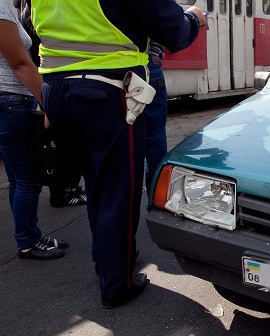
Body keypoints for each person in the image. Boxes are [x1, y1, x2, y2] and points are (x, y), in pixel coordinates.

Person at [31, 0, 206, 308]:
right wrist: (194, 18)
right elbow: (172, 30)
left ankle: (106, 259)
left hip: (56, 90)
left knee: (96, 181)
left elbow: (29, 25)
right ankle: (117, 283)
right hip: (106, 91)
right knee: (118, 190)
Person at [0, 0, 66, 260]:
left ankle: (28, 234)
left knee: (18, 178)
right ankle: (28, 241)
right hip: (12, 102)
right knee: (29, 178)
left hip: (6, 103)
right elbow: (19, 62)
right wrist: (46, 102)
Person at [14, 0, 86, 208]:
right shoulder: (35, 12)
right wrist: (46, 103)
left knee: (62, 140)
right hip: (48, 81)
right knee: (56, 143)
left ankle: (69, 187)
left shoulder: (32, 10)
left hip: (48, 81)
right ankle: (61, 191)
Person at [144, 41, 168, 204]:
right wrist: (193, 20)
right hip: (145, 65)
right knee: (153, 142)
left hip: (96, 72)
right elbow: (173, 33)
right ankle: (155, 202)